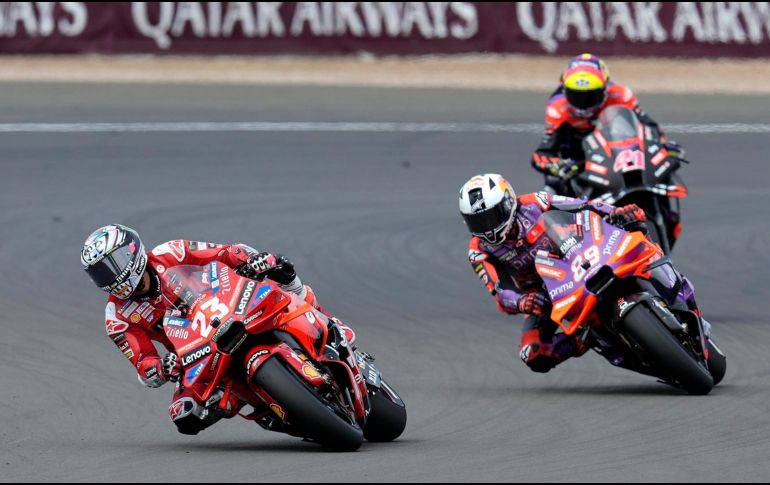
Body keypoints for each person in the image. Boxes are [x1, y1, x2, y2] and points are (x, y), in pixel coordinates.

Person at [81, 224, 330, 434]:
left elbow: (224, 253)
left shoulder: (172, 252)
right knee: (184, 415)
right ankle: (251, 403)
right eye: (99, 274)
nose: (109, 277)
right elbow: (144, 363)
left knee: (281, 272)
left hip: (231, 306)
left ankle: (323, 322)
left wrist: (250, 261)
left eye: (111, 265)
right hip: (198, 351)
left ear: (131, 252)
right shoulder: (117, 316)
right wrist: (161, 367)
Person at [458, 174, 646, 373]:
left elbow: (584, 205)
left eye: (490, 217)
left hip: (579, 255)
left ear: (508, 202)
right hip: (544, 294)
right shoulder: (478, 251)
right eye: (477, 222)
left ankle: (664, 278)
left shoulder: (535, 202)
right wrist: (522, 301)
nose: (487, 228)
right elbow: (500, 291)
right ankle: (590, 337)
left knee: (633, 228)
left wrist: (616, 212)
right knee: (532, 354)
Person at [531, 53, 681, 195]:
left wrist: (662, 146)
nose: (583, 104)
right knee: (551, 189)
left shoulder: (621, 95)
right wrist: (559, 166)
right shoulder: (558, 107)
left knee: (663, 171)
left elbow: (650, 128)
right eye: (576, 95)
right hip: (580, 162)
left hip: (620, 155)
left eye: (591, 96)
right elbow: (542, 155)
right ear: (565, 91)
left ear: (605, 89)